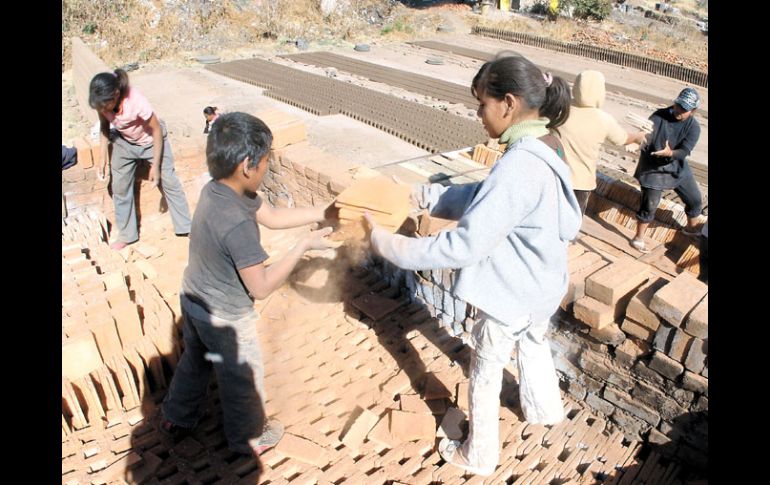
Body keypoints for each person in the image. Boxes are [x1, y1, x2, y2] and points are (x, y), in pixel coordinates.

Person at [366, 54, 582, 476]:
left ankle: (478, 454)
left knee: (485, 370)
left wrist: (390, 246)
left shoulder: (519, 164)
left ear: (508, 103)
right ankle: (544, 411)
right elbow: (488, 197)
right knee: (533, 344)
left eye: (482, 105)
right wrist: (427, 197)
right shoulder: (545, 143)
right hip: (544, 284)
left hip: (512, 294)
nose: (479, 115)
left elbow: (464, 245)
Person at [160, 112, 340, 457]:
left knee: (195, 362)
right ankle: (249, 437)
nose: (267, 168)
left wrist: (324, 212)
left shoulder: (219, 190)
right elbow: (261, 287)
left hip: (194, 300)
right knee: (242, 379)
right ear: (247, 165)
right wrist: (302, 245)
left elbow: (272, 217)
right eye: (266, 162)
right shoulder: (236, 224)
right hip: (226, 317)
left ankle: (176, 418)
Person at [89, 69, 192, 250]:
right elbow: (104, 126)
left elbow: (157, 130)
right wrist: (102, 158)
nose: (103, 110)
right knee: (119, 186)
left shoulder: (135, 101)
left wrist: (155, 166)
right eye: (100, 107)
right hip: (125, 142)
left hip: (152, 140)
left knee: (169, 181)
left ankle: (186, 227)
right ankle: (127, 235)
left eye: (105, 106)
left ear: (116, 94)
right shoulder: (102, 102)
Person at [557, 70, 647, 216]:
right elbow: (622, 139)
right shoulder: (603, 119)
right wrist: (638, 136)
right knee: (572, 219)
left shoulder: (561, 109)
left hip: (555, 175)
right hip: (581, 182)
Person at [630, 87, 703, 253]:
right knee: (649, 205)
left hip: (676, 165)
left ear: (692, 111)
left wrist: (670, 153)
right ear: (675, 103)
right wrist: (637, 141)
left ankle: (691, 229)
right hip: (652, 167)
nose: (679, 111)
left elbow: (684, 151)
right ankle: (638, 238)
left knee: (695, 200)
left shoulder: (693, 127)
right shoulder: (658, 116)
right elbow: (646, 135)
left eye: (684, 109)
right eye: (679, 106)